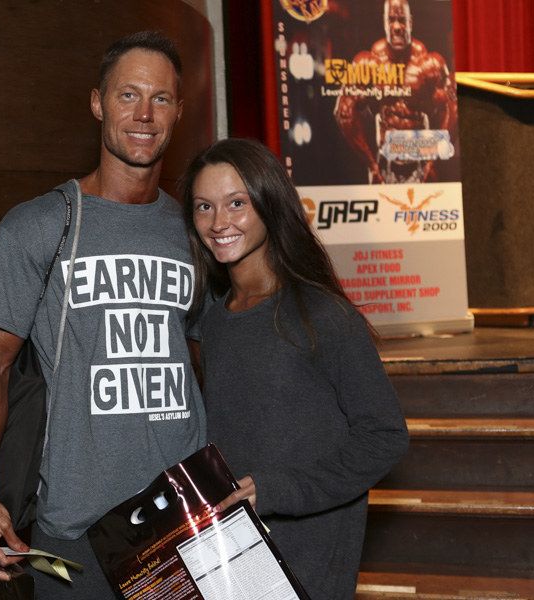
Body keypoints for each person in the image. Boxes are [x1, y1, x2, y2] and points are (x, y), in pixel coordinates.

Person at [0, 31, 206, 598]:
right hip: (71, 533)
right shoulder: (39, 225)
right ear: (98, 103)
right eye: (128, 95)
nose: (144, 114)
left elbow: (205, 358)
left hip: (185, 520)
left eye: (161, 98)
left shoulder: (196, 232)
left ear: (178, 111)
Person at [180, 138, 409, 600]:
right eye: (204, 206)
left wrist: (278, 491)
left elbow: (384, 437)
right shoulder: (212, 321)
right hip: (232, 559)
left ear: (269, 204)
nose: (219, 222)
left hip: (308, 559)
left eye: (237, 203)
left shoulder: (321, 314)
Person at [334, 0, 458, 183]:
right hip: (385, 164)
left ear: (411, 22)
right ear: (384, 23)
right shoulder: (369, 62)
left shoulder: (430, 64)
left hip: (423, 161)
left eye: (402, 20)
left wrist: (433, 161)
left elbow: (453, 108)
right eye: (391, 20)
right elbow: (344, 113)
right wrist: (371, 165)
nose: (397, 27)